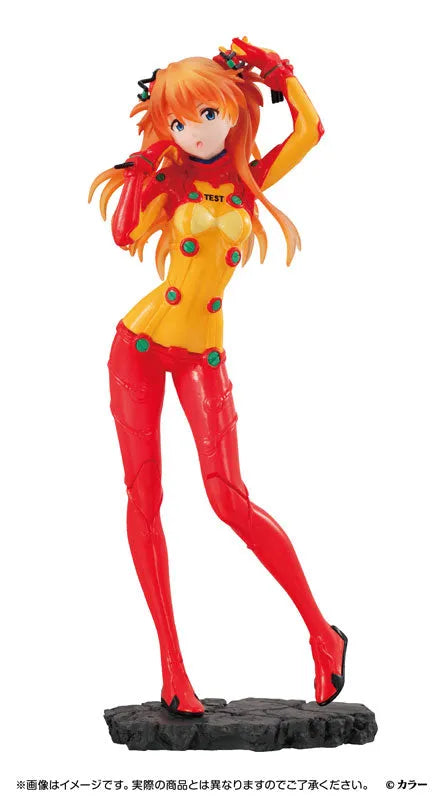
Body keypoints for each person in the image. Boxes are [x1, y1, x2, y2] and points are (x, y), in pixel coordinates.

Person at [89, 37, 347, 717]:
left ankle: (323, 636)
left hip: (203, 355)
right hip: (138, 347)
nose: (195, 131)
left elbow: (312, 131)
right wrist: (146, 165)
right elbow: (123, 233)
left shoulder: (248, 182)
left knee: (229, 499)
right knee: (145, 500)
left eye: (207, 113)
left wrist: (280, 74)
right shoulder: (168, 180)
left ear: (233, 109)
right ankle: (173, 668)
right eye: (178, 121)